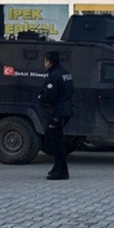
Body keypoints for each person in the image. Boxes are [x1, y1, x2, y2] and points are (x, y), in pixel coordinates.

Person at [38, 51, 74, 180]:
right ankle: (57, 167)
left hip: (57, 112)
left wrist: (41, 98)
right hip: (66, 110)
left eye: (45, 61)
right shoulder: (66, 74)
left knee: (55, 141)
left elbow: (50, 95)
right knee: (54, 138)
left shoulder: (53, 76)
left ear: (49, 61)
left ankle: (62, 170)